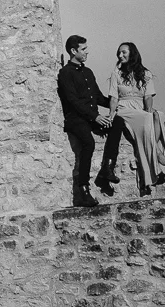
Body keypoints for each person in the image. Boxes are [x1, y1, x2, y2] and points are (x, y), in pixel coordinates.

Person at [57, 35, 114, 207]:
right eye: (83, 49)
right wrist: (95, 117)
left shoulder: (88, 72)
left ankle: (107, 168)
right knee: (88, 143)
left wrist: (116, 102)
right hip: (76, 119)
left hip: (91, 117)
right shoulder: (65, 73)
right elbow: (73, 101)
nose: (86, 52)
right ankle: (83, 190)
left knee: (118, 124)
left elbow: (97, 97)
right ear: (74, 51)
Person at [107, 42, 165, 196]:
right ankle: (158, 153)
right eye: (119, 53)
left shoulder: (145, 74)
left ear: (132, 53)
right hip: (124, 109)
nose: (120, 56)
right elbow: (114, 97)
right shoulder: (116, 74)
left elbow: (148, 96)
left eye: (123, 52)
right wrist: (111, 114)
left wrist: (148, 109)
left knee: (157, 115)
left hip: (140, 107)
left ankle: (153, 151)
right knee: (147, 119)